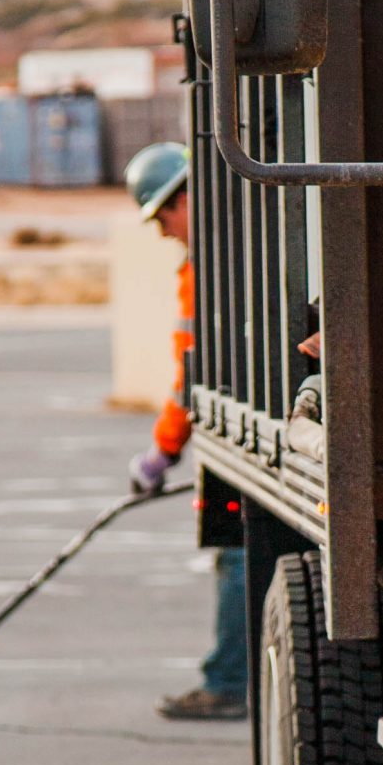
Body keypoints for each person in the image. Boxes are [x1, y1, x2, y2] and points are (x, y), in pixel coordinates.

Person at [121, 142, 248, 722]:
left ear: (184, 197)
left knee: (238, 554)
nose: (164, 232)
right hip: (246, 420)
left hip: (240, 431)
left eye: (162, 216)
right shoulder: (245, 241)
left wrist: (161, 451)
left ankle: (228, 682)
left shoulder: (211, 267)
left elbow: (190, 376)